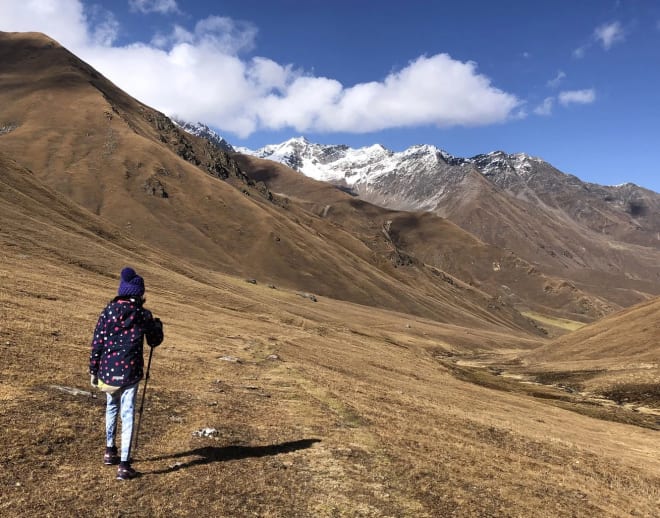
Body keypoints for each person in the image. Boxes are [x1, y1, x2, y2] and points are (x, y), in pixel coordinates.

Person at [89, 267, 163, 480]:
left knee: (112, 406)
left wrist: (93, 369)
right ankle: (124, 464)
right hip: (131, 371)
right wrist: (158, 327)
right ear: (139, 293)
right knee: (128, 411)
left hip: (107, 370)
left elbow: (98, 342)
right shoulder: (142, 314)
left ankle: (109, 451)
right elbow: (154, 341)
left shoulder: (108, 311)